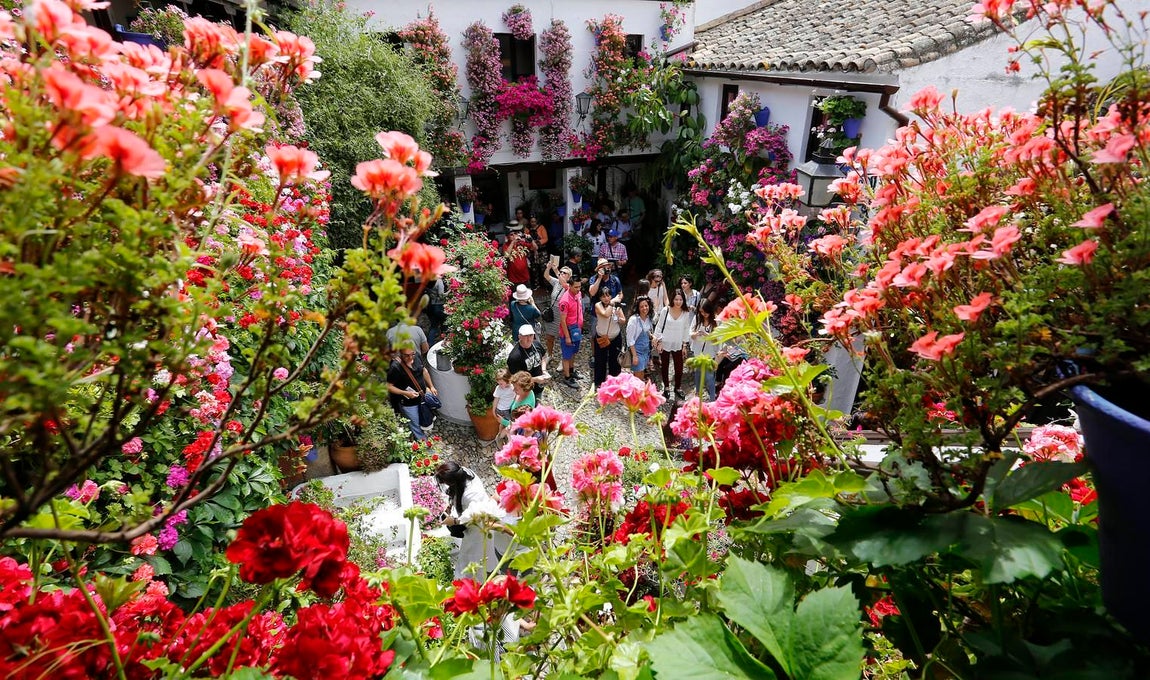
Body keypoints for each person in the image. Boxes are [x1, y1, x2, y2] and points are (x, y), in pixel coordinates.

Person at [435, 462, 514, 579]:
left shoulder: (471, 495)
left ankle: (478, 583)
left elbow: (474, 517)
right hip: (475, 527)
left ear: (453, 481)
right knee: (469, 555)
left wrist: (454, 521)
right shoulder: (464, 472)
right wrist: (450, 505)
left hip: (480, 528)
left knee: (477, 557)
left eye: (446, 482)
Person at [387, 347, 438, 440]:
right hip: (408, 403)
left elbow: (424, 371)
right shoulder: (395, 366)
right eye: (406, 356)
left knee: (425, 415)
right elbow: (389, 386)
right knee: (415, 424)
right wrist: (405, 393)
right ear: (400, 353)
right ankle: (423, 444)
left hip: (422, 396)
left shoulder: (417, 355)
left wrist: (431, 386)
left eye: (412, 354)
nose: (410, 358)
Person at [653, 287, 693, 400]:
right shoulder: (666, 310)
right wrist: (658, 341)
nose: (678, 302)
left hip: (678, 343)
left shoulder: (685, 313)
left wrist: (685, 345)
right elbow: (659, 326)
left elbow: (686, 328)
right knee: (664, 365)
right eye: (676, 299)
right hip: (665, 342)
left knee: (679, 367)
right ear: (672, 299)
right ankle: (666, 387)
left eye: (680, 300)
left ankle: (678, 387)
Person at [592, 286, 626, 387]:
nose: (606, 298)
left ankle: (614, 383)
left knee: (615, 361)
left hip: (615, 337)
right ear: (600, 298)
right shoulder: (598, 305)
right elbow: (605, 314)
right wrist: (612, 303)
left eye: (608, 296)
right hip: (601, 337)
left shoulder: (616, 306)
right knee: (600, 361)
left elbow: (624, 320)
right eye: (603, 296)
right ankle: (599, 383)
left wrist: (619, 319)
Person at [507, 324, 548, 401]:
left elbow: (544, 356)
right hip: (524, 391)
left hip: (539, 386)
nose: (529, 339)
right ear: (519, 337)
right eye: (526, 336)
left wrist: (544, 370)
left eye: (531, 335)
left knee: (537, 405)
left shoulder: (536, 344)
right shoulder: (514, 357)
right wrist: (535, 379)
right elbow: (516, 380)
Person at [541, 262, 571, 367]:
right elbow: (546, 276)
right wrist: (548, 267)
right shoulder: (556, 282)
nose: (562, 274)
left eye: (565, 273)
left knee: (563, 338)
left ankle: (563, 359)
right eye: (561, 272)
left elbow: (564, 284)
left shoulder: (568, 286)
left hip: (563, 314)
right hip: (553, 312)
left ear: (569, 277)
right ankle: (549, 354)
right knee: (549, 336)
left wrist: (556, 270)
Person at [557, 276, 584, 388]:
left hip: (576, 330)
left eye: (579, 286)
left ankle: (572, 371)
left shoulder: (578, 294)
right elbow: (563, 320)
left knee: (573, 352)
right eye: (576, 287)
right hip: (568, 331)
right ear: (570, 286)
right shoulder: (565, 300)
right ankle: (567, 377)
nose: (578, 289)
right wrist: (567, 336)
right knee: (567, 355)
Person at [690, 300, 720, 401]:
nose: (703, 314)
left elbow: (718, 339)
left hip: (710, 353)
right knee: (698, 374)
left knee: (709, 377)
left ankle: (712, 398)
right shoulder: (697, 318)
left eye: (705, 312)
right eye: (701, 312)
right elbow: (690, 334)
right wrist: (696, 334)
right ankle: (698, 395)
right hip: (698, 352)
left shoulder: (716, 321)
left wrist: (708, 336)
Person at [626, 295, 654, 382]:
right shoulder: (633, 320)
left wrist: (652, 336)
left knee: (642, 374)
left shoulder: (648, 318)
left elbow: (647, 331)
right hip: (637, 352)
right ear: (638, 308)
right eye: (641, 306)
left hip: (646, 351)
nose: (644, 308)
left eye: (646, 306)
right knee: (637, 377)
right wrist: (634, 356)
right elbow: (630, 340)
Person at [503, 221, 533, 288]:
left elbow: (535, 248)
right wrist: (513, 242)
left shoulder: (521, 243)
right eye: (511, 235)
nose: (514, 236)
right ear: (507, 237)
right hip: (514, 280)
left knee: (527, 297)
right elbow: (506, 255)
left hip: (525, 278)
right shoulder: (506, 245)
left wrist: (531, 239)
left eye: (515, 234)